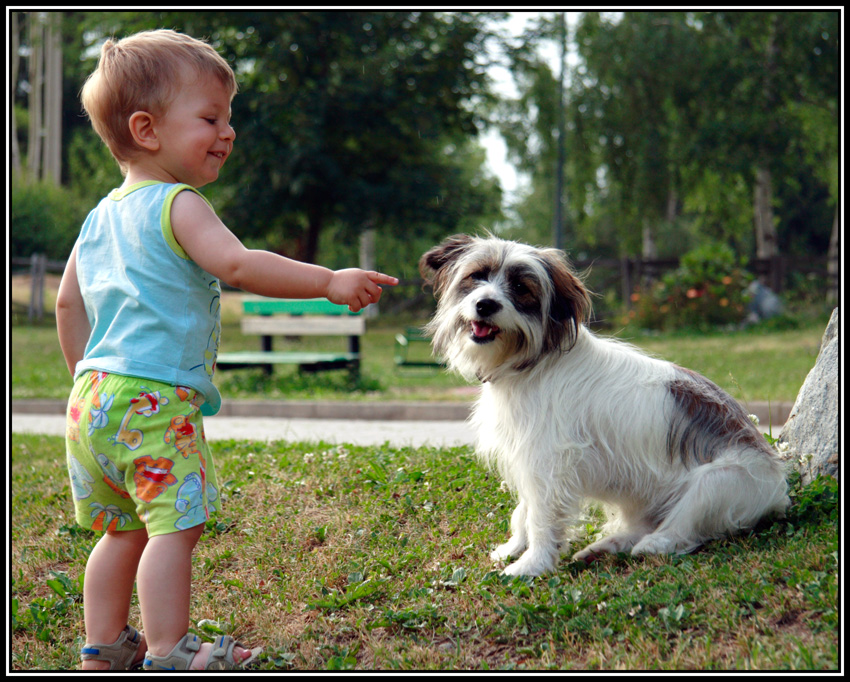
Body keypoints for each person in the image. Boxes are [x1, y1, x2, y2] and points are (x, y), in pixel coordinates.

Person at [56, 29, 397, 671]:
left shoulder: (98, 217)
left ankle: (102, 648)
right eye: (211, 117)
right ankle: (168, 648)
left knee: (120, 529)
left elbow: (67, 306)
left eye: (228, 118)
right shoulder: (179, 203)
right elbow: (238, 265)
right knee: (172, 528)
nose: (228, 132)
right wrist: (327, 282)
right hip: (153, 398)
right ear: (147, 130)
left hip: (91, 400)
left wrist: (87, 379)